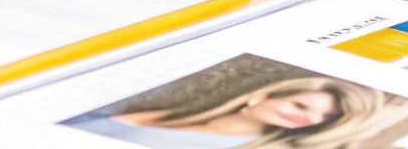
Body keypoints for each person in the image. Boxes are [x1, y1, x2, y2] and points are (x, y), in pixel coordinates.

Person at [63, 76, 385, 148]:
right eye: (301, 106)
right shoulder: (178, 109)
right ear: (263, 95)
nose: (309, 119)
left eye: (325, 119)